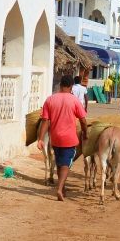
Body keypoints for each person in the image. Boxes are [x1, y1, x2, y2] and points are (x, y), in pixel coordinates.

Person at [37, 73, 88, 201]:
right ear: (71, 87)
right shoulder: (74, 100)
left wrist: (41, 139)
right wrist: (85, 133)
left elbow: (45, 121)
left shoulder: (50, 99)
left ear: (60, 85)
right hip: (69, 138)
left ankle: (62, 187)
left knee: (59, 163)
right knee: (66, 164)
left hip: (55, 138)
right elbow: (83, 119)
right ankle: (59, 189)